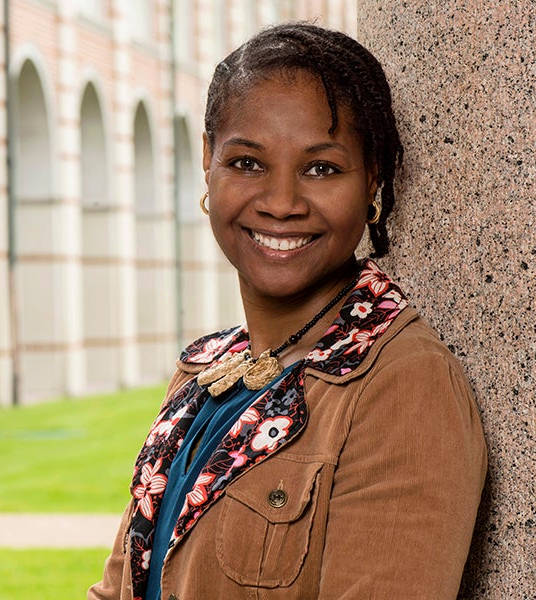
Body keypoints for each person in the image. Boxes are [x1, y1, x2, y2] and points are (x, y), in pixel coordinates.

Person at [88, 22, 487, 600]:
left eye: (320, 168)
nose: (279, 203)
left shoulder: (402, 385)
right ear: (208, 161)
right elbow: (121, 586)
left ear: (372, 177)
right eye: (248, 163)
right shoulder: (207, 370)